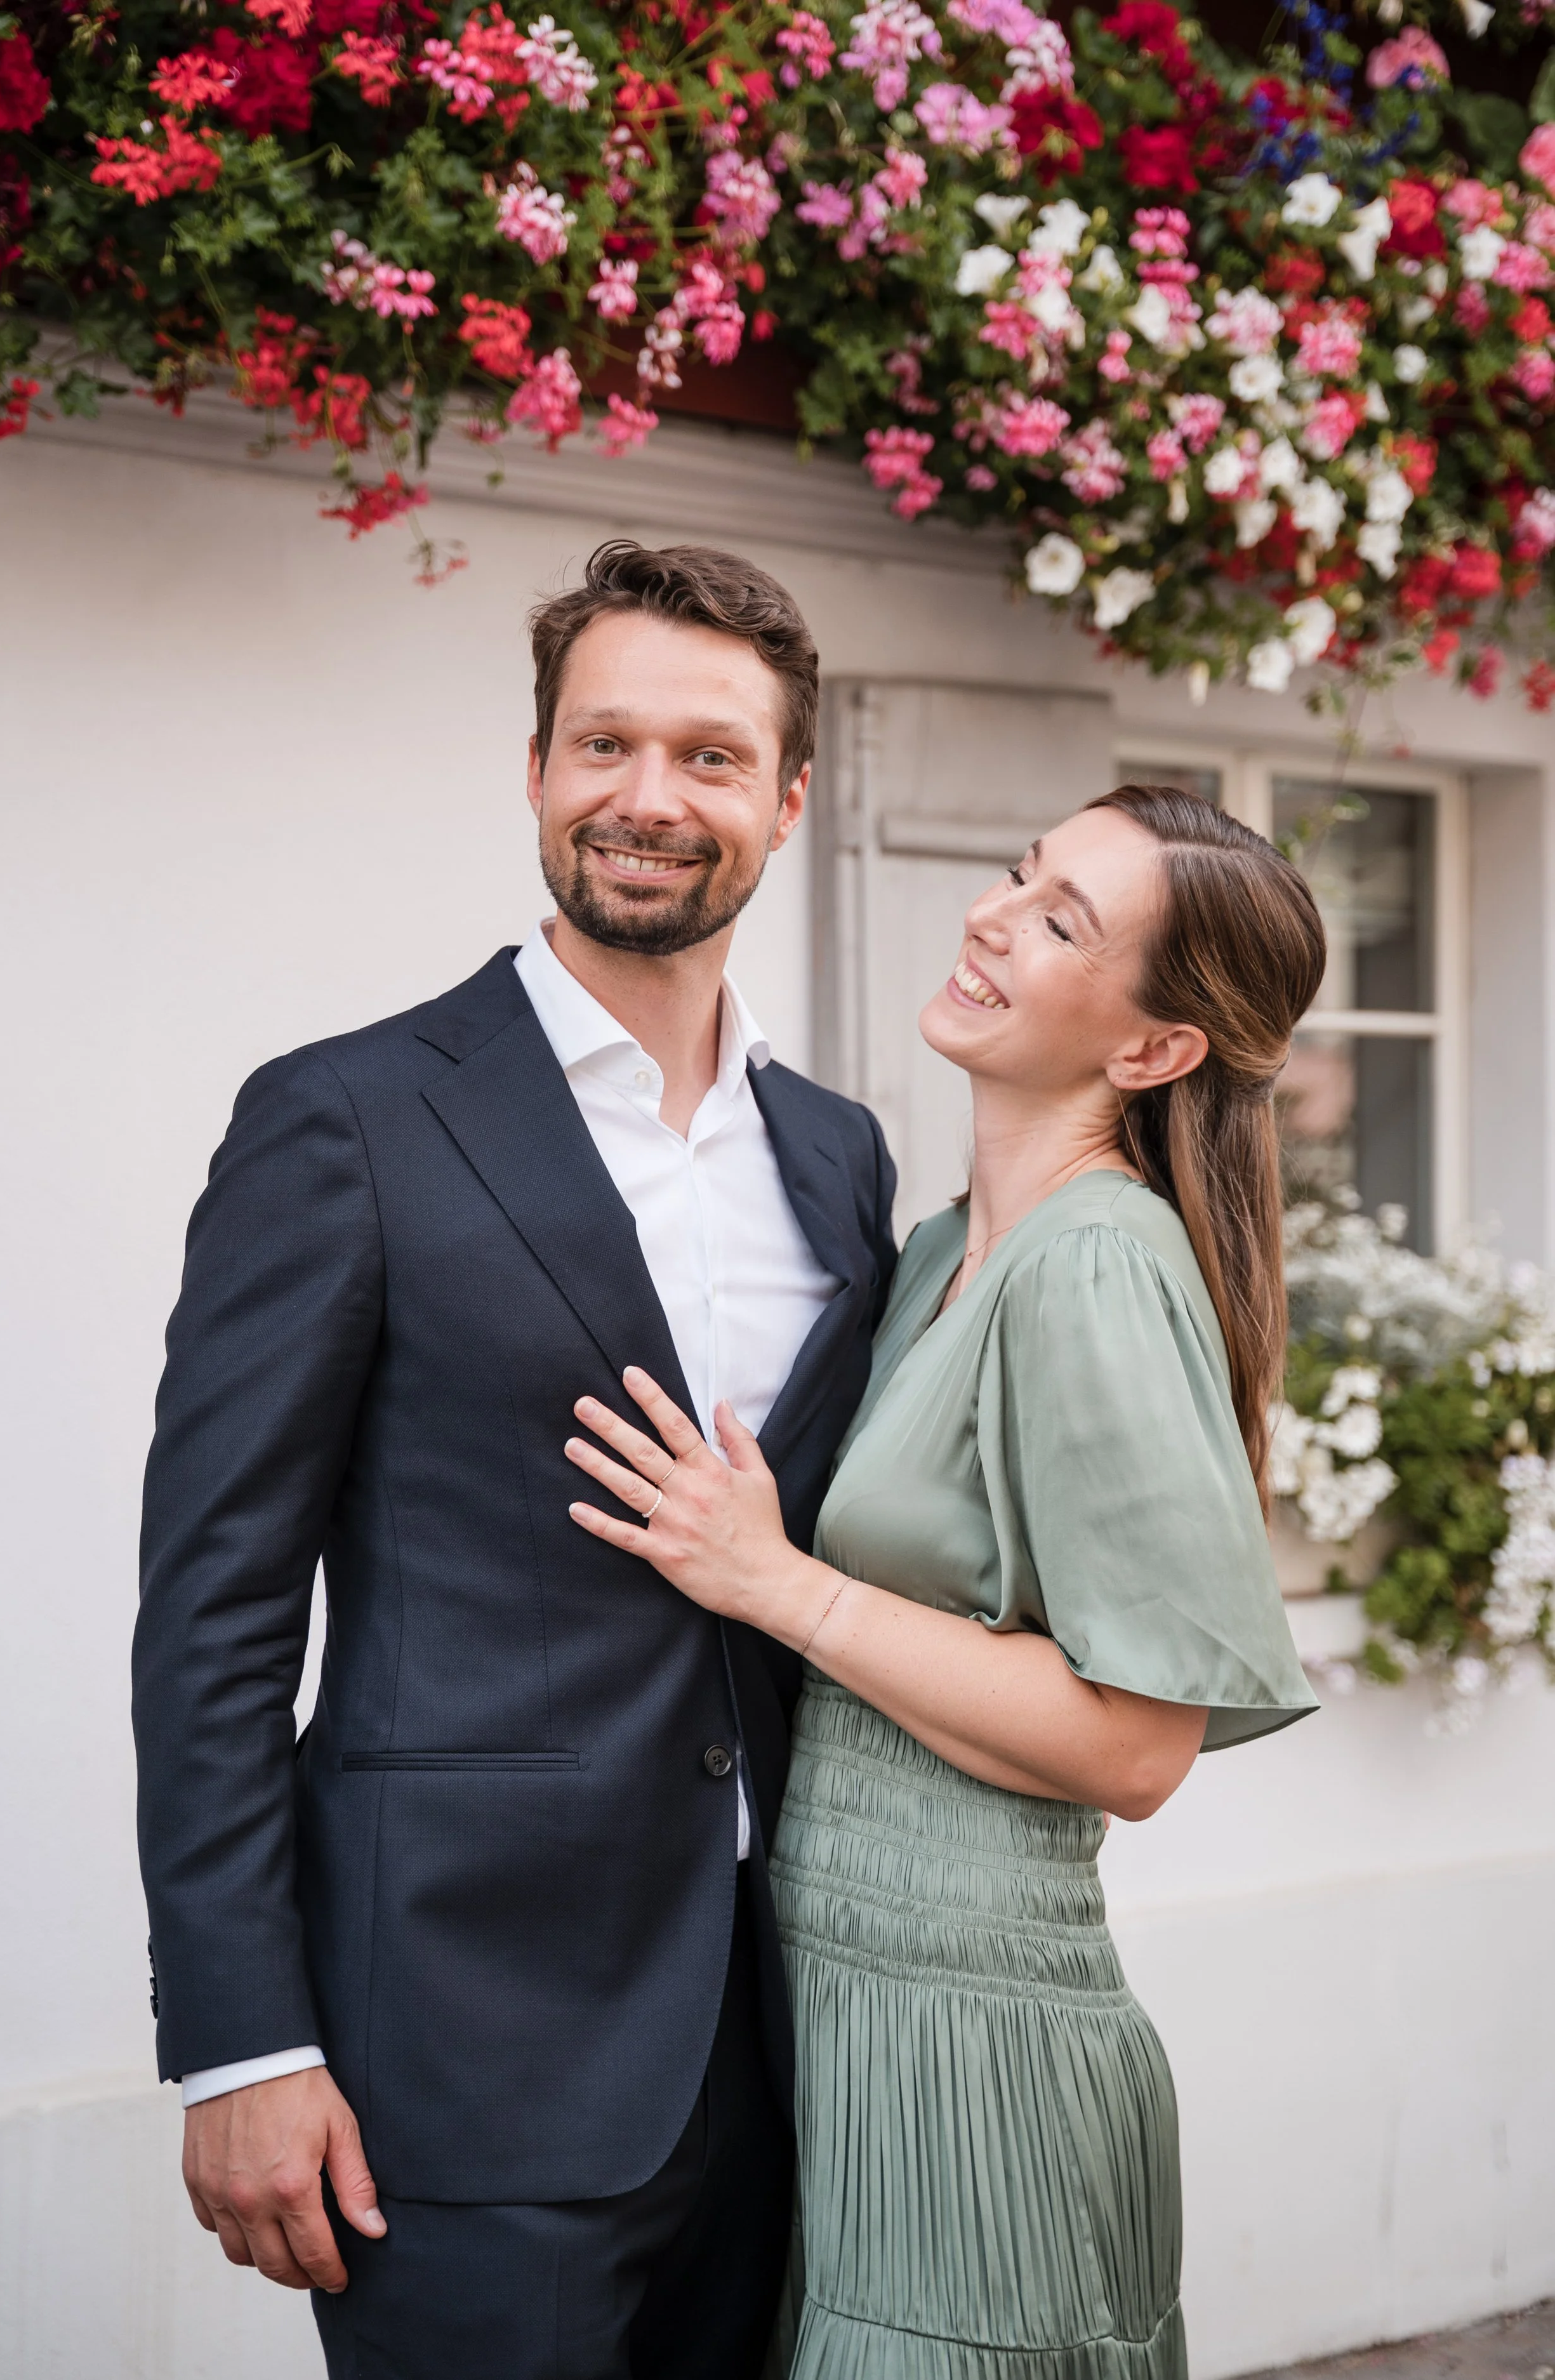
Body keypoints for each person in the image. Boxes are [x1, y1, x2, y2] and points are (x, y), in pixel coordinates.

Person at [132, 540, 898, 2379]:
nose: (648, 796)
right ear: (538, 768)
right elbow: (215, 1613)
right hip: (452, 2049)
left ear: (789, 798)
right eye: (603, 742)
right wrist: (244, 2041)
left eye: (710, 755)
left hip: (782, 2034)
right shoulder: (346, 1116)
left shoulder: (839, 1155)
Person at [563, 783, 1327, 2379]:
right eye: (1017, 874)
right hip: (843, 2014)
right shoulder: (934, 1249)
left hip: (974, 2046)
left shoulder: (1096, 1261)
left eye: (1061, 923)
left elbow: (1136, 1746)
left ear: (1151, 1051)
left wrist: (771, 1582)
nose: (991, 914)